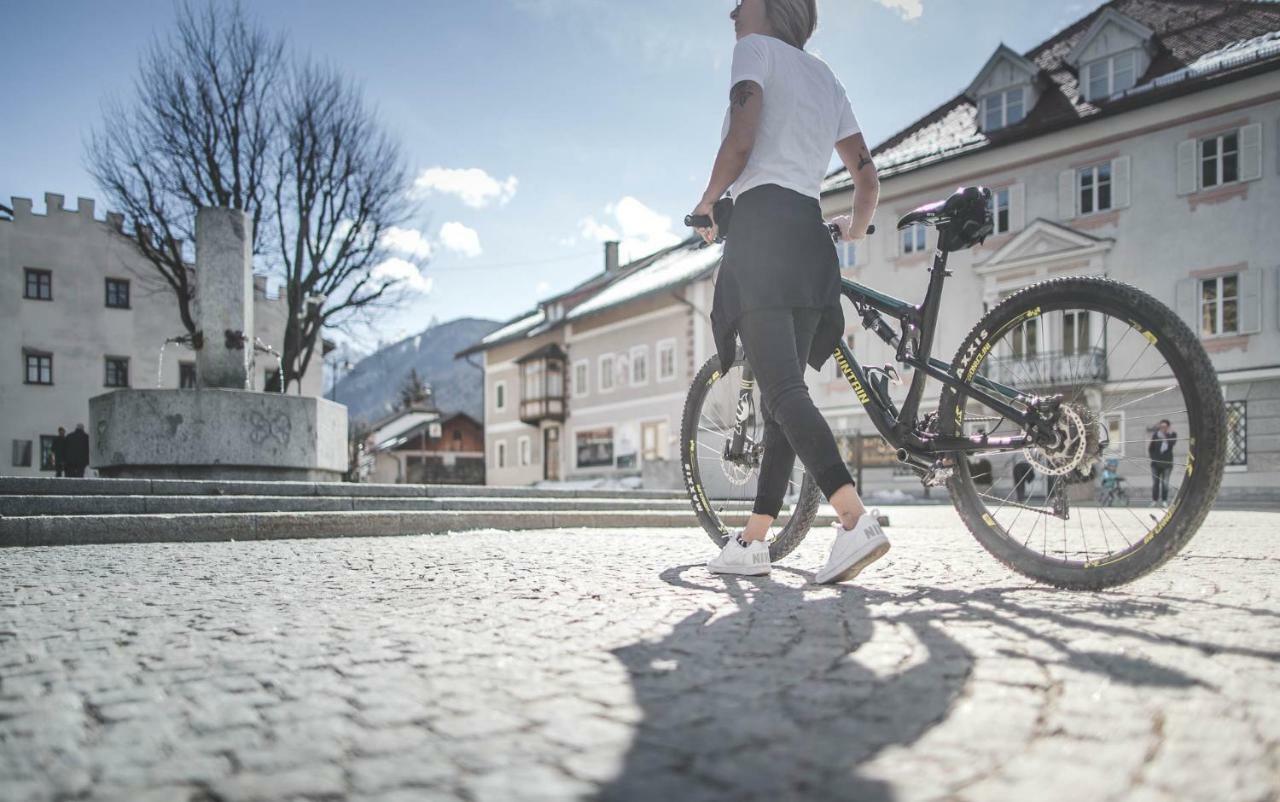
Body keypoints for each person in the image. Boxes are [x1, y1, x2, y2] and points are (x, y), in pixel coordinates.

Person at [695, 0, 885, 583]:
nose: (732, 9)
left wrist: (706, 204)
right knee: (783, 398)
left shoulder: (753, 51)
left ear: (772, 8)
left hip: (764, 230)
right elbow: (866, 176)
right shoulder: (827, 78)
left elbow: (743, 140)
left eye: (743, 0)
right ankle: (753, 541)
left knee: (779, 390)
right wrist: (853, 228)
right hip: (810, 237)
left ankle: (853, 519)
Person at [1147, 419, 1177, 506]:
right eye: (1161, 426)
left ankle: (1164, 500)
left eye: (1164, 427)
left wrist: (1167, 435)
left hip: (1167, 464)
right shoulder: (1156, 435)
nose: (1162, 428)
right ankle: (1154, 500)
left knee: (1165, 483)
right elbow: (1151, 448)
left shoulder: (1172, 435)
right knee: (1155, 483)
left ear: (1168, 427)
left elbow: (1172, 443)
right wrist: (1153, 458)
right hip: (1155, 464)